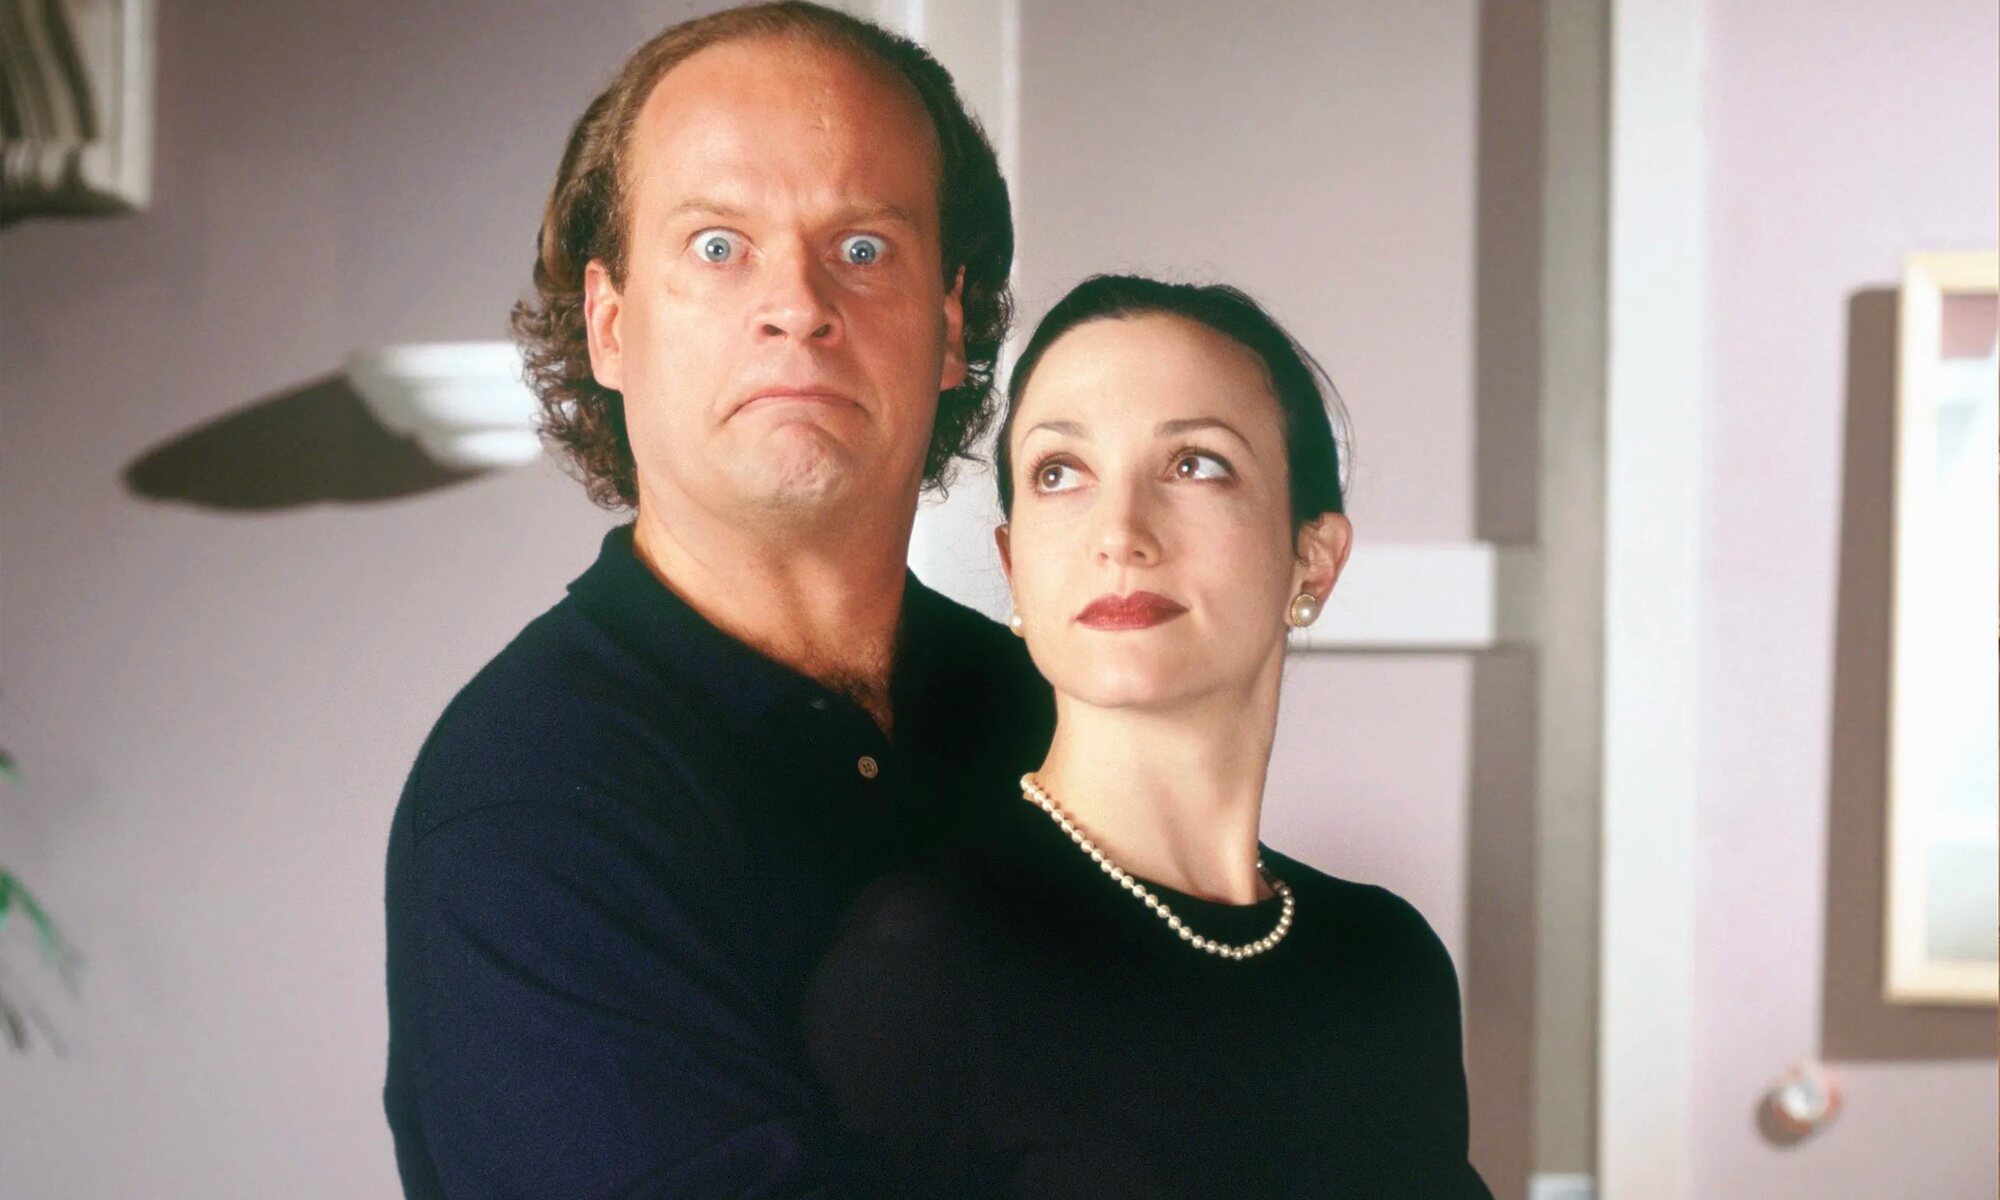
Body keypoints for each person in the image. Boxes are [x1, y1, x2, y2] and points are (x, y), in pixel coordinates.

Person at [380, 4, 1051, 1196]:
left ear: (949, 327)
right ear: (610, 326)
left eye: (862, 248)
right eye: (717, 245)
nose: (797, 303)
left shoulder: (1046, 708)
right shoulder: (529, 796)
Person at [803, 275, 1496, 1198]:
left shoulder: (1387, 964)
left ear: (1314, 558)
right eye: (1060, 473)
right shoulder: (932, 956)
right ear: (1014, 568)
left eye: (1195, 464)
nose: (1120, 533)